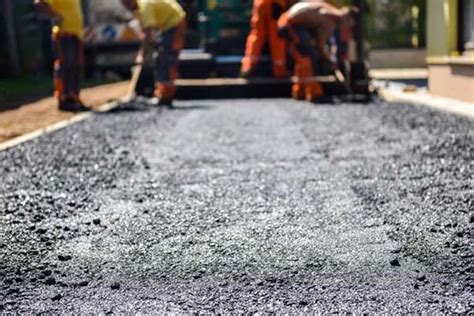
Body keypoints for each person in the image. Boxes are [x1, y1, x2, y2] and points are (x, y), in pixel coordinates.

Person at [277, 2, 357, 102]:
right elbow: (320, 46)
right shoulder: (330, 21)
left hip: (290, 21)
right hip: (289, 23)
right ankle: (314, 93)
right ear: (347, 18)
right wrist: (329, 61)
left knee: (303, 57)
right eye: (350, 25)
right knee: (310, 57)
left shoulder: (329, 10)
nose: (348, 28)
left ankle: (300, 91)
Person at [121, 0, 186, 107]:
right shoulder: (139, 10)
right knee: (160, 58)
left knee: (166, 58)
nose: (125, 5)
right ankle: (161, 94)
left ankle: (166, 95)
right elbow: (146, 34)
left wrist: (142, 55)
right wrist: (144, 51)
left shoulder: (145, 6)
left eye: (127, 2)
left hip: (174, 22)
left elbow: (148, 33)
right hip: (165, 26)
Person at [34, 0, 89, 112]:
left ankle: (73, 96)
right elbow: (40, 3)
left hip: (76, 33)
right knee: (66, 65)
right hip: (63, 33)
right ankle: (64, 98)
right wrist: (55, 16)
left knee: (75, 66)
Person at [240, 0, 296, 79]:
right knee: (277, 37)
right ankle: (279, 70)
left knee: (257, 34)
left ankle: (247, 67)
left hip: (259, 3)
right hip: (276, 4)